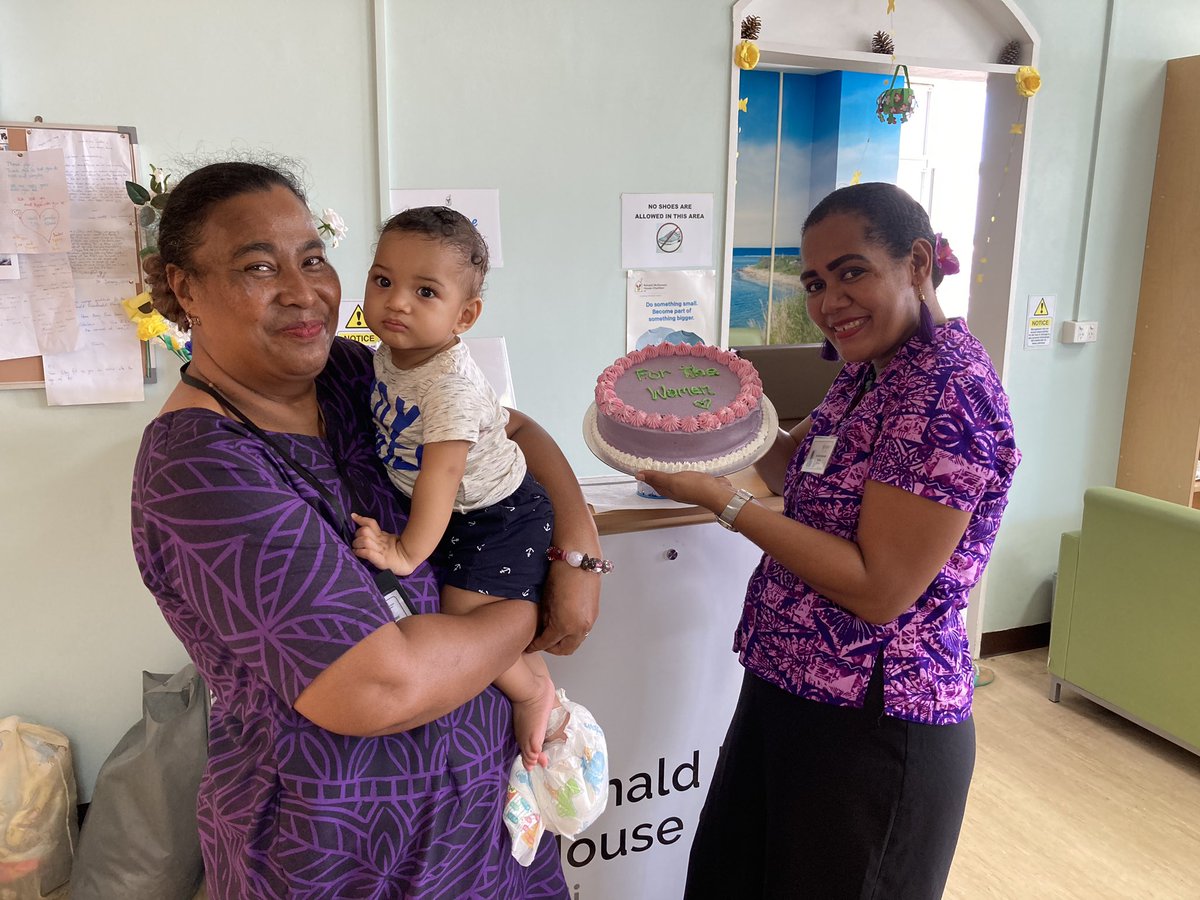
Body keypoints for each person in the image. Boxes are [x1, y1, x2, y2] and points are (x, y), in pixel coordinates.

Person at [130, 161, 599, 899]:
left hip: (485, 828)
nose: (302, 289)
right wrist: (525, 610)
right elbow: (378, 688)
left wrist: (578, 553)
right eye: (259, 266)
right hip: (339, 858)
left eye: (313, 258)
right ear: (185, 288)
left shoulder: (355, 372)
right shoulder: (200, 469)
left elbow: (511, 427)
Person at [639, 182, 1021, 899]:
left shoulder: (946, 393)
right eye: (815, 282)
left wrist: (725, 502)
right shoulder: (866, 375)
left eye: (851, 272)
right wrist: (722, 419)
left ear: (915, 263)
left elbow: (881, 589)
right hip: (789, 690)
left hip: (876, 722)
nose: (828, 301)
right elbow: (807, 473)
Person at [350, 206, 569, 770]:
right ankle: (534, 678)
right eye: (383, 281)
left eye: (425, 291)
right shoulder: (391, 354)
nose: (396, 301)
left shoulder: (448, 385)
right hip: (461, 509)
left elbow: (441, 475)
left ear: (465, 315)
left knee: (465, 617)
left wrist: (405, 551)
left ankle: (532, 692)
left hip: (497, 514)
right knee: (477, 608)